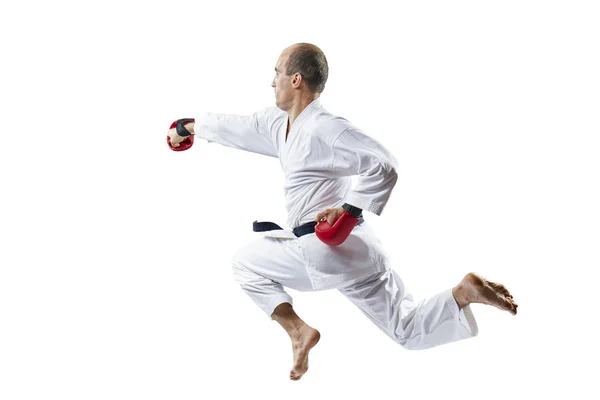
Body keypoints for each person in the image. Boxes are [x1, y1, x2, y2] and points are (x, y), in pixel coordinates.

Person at [167, 43, 518, 381]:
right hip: (355, 252)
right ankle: (462, 293)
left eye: (277, 72)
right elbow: (242, 127)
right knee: (407, 330)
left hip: (324, 244)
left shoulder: (325, 127)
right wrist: (192, 126)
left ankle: (298, 331)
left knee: (245, 264)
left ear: (296, 80)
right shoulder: (280, 124)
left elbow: (384, 165)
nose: (271, 80)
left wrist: (348, 211)